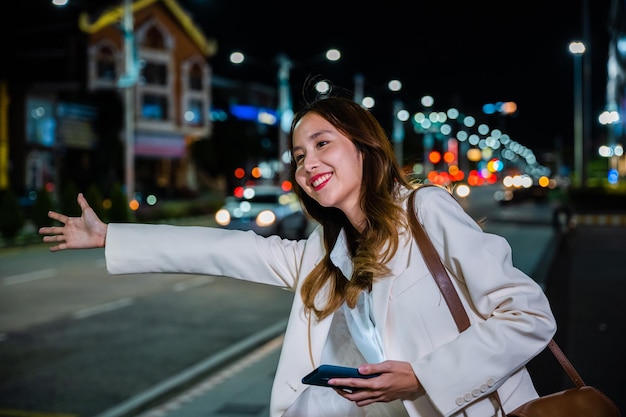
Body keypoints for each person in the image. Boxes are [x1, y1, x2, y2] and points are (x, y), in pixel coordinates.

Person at [40, 92, 556, 417]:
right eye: (300, 155)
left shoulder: (426, 210)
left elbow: (529, 315)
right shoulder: (324, 255)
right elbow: (223, 249)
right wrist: (112, 236)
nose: (309, 163)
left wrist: (424, 376)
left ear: (363, 147)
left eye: (323, 144)